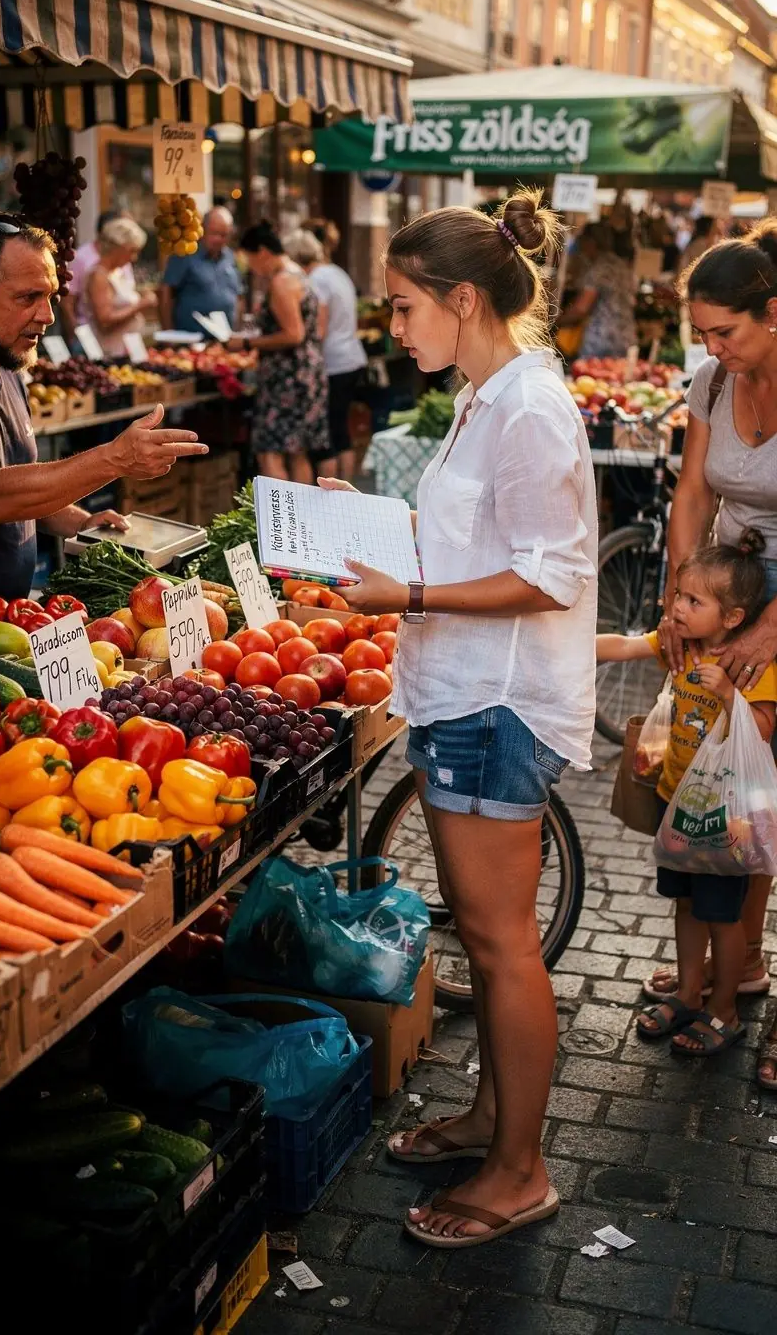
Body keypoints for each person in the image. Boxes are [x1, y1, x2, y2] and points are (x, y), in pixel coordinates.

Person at [320, 193, 598, 1248]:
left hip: (496, 703)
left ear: (464, 299)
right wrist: (378, 541)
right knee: (485, 940)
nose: (394, 328)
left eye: (403, 307)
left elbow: (549, 574)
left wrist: (411, 595)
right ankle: (492, 1120)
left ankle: (521, 1171)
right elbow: (480, 538)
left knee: (501, 942)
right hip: (463, 691)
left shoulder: (529, 408)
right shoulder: (489, 395)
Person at [634, 218, 777, 1090]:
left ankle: (742, 984)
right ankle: (735, 967)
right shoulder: (713, 381)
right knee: (730, 789)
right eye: (703, 335)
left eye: (726, 331)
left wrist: (769, 629)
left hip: (772, 607)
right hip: (729, 583)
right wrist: (680, 595)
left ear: (773, 313)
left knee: (766, 796)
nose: (713, 348)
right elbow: (691, 488)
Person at [0, 212, 208, 600]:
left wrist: (81, 522)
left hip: (11, 616)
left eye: (50, 297)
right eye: (28, 297)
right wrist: (113, 459)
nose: (47, 316)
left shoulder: (8, 370)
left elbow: (21, 490)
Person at [598, 531, 777, 1054]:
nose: (677, 607)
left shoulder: (750, 667)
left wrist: (728, 695)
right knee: (685, 905)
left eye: (694, 601)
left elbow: (762, 729)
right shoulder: (681, 646)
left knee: (723, 918)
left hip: (724, 818)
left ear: (733, 617)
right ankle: (688, 992)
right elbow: (625, 645)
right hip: (676, 804)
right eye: (679, 595)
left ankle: (725, 1009)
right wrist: (567, 644)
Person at [233, 220, 327, 485]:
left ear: (262, 252)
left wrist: (247, 343)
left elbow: (293, 334)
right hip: (306, 372)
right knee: (298, 452)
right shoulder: (298, 273)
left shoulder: (281, 282)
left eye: (250, 259)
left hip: (287, 378)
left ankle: (280, 511)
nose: (251, 268)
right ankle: (302, 511)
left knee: (269, 452)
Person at [284, 228, 367, 480]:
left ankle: (333, 492)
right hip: (352, 357)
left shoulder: (316, 280)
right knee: (341, 429)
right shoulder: (336, 272)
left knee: (328, 435)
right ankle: (347, 489)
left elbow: (319, 330)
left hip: (333, 364)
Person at [80, 216, 156, 359]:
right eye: (132, 251)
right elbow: (104, 320)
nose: (134, 257)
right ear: (118, 248)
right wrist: (141, 304)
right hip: (111, 352)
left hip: (128, 348)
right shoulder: (98, 276)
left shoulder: (117, 272)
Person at [556, 222, 636, 359]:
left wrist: (556, 323)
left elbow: (581, 309)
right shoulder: (622, 266)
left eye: (583, 241)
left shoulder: (598, 269)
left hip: (601, 339)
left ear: (591, 242)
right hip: (625, 336)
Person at [159, 206, 241, 336]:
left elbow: (238, 295)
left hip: (225, 338)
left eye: (224, 235)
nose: (219, 239)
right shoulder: (185, 254)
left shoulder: (230, 258)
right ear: (203, 229)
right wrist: (169, 334)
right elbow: (166, 292)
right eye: (214, 233)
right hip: (190, 337)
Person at [60, 209, 130, 341]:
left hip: (120, 338)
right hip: (90, 336)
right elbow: (67, 301)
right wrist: (76, 337)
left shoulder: (125, 258)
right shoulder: (82, 258)